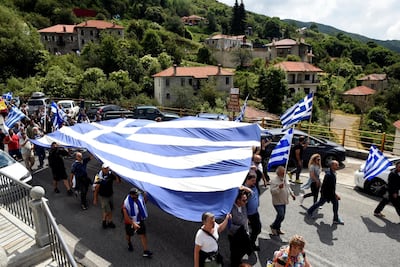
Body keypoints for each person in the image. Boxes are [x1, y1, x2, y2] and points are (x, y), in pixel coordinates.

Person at [307, 160, 344, 225]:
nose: (338, 166)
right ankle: (310, 211)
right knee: (321, 203)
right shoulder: (329, 175)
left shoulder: (332, 173)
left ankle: (335, 219)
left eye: (338, 165)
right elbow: (329, 187)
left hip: (328, 193)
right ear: (332, 166)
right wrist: (335, 195)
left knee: (332, 204)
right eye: (336, 165)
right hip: (327, 193)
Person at [122, 187, 153, 258]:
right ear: (132, 195)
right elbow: (126, 217)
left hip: (139, 219)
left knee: (143, 235)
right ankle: (129, 243)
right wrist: (133, 223)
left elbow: (143, 203)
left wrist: (145, 197)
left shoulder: (139, 198)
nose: (138, 195)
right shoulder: (126, 203)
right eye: (137, 195)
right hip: (131, 222)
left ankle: (145, 251)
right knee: (129, 235)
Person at [228, 189, 253, 267]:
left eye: (246, 200)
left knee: (242, 251)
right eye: (244, 200)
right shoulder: (231, 209)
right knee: (235, 255)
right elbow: (229, 226)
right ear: (237, 200)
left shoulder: (243, 206)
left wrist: (244, 188)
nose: (246, 202)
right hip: (235, 236)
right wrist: (240, 229)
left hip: (244, 233)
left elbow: (252, 194)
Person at [93, 164, 121, 229]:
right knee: (108, 210)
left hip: (110, 195)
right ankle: (108, 222)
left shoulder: (110, 174)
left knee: (108, 210)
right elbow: (96, 188)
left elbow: (118, 181)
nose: (106, 169)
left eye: (107, 168)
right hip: (103, 197)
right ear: (102, 169)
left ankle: (106, 221)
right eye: (105, 168)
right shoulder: (98, 176)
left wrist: (117, 174)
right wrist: (95, 198)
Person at [270, 166, 295, 235]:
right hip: (277, 202)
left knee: (282, 216)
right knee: (280, 215)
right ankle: (274, 227)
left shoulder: (285, 179)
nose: (284, 174)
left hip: (284, 201)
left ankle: (278, 228)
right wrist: (279, 187)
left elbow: (288, 187)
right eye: (283, 173)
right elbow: (272, 192)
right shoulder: (274, 181)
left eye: (285, 172)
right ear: (278, 174)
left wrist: (292, 194)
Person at [243, 172, 261, 251]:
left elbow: (260, 175)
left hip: (255, 211)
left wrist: (256, 169)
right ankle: (250, 244)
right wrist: (246, 217)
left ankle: (250, 243)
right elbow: (243, 205)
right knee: (256, 229)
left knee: (257, 229)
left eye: (255, 180)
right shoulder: (243, 191)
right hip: (249, 214)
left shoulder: (254, 185)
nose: (255, 182)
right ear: (247, 180)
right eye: (252, 180)